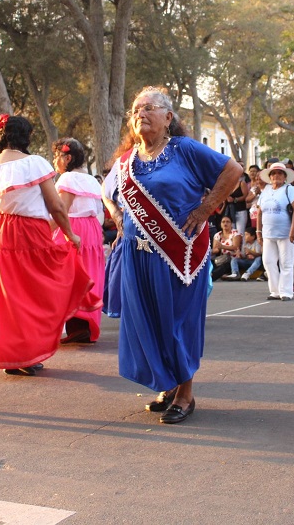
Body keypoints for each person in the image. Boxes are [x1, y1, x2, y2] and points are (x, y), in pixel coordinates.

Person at [104, 87, 240, 424]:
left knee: (178, 321)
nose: (141, 114)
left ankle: (185, 394)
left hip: (181, 256)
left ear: (168, 117)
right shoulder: (126, 162)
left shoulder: (185, 150)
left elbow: (233, 171)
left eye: (149, 107)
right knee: (148, 322)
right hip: (138, 256)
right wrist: (119, 218)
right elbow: (108, 194)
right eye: (135, 109)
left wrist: (207, 207)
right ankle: (165, 384)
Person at [0, 114, 90, 376]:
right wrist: (70, 234)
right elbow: (56, 206)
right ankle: (26, 354)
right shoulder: (34, 163)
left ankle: (11, 357)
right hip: (27, 231)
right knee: (33, 293)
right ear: (25, 136)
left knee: (5, 298)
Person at [52, 137, 106, 344]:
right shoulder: (92, 180)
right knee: (89, 271)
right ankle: (82, 326)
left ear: (68, 158)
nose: (55, 160)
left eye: (57, 156)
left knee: (68, 275)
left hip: (73, 227)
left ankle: (74, 324)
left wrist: (42, 230)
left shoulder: (66, 179)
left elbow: (62, 211)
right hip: (91, 229)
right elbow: (99, 212)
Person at [257, 162, 294, 301]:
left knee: (286, 262)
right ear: (270, 177)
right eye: (273, 174)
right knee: (268, 262)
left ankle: (286, 292)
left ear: (285, 177)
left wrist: (293, 229)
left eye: (279, 173)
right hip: (268, 233)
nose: (276, 176)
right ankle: (275, 291)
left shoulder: (291, 189)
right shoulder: (266, 190)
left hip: (285, 232)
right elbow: (259, 212)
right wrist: (258, 232)